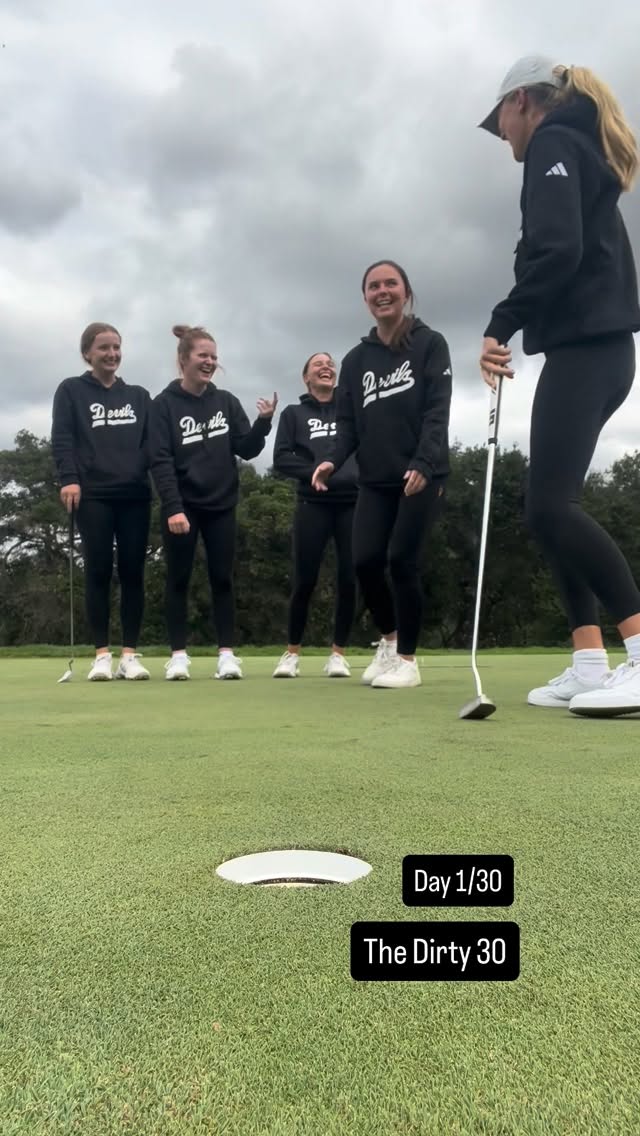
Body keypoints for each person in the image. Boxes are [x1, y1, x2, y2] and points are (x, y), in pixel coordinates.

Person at [478, 56, 640, 717]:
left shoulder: (554, 141)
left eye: (500, 120)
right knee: (543, 508)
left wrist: (501, 322)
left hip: (590, 350)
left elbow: (558, 250)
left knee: (550, 508)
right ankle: (589, 661)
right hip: (594, 350)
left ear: (521, 101)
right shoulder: (576, 142)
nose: (502, 135)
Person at [312, 261, 452, 689]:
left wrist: (424, 463)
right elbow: (348, 425)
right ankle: (389, 642)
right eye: (374, 286)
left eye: (391, 283)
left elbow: (437, 412)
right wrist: (332, 460)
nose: (382, 291)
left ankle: (408, 660)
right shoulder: (356, 361)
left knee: (401, 561)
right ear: (365, 298)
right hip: (374, 479)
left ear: (406, 292)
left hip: (421, 475)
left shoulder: (431, 344)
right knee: (365, 562)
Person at [149, 325, 277, 681]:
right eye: (203, 356)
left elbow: (246, 448)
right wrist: (173, 506)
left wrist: (264, 423)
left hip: (221, 504)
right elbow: (159, 460)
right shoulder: (163, 406)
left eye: (214, 357)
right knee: (179, 579)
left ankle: (227, 655)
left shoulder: (226, 402)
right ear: (183, 359)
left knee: (222, 579)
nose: (210, 362)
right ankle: (178, 656)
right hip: (182, 507)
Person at [51, 323, 152, 681]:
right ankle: (102, 655)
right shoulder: (71, 390)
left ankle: (129, 655)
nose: (112, 354)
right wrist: (69, 478)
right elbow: (62, 438)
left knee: (133, 572)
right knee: (98, 570)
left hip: (134, 495)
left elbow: (152, 445)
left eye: (116, 347)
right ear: (87, 354)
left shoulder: (139, 396)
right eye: (104, 348)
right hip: (92, 494)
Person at [272, 352, 358, 678]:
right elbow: (281, 458)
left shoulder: (350, 409)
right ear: (306, 377)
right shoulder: (293, 414)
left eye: (330, 363)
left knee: (349, 579)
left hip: (352, 502)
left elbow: (364, 445)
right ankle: (292, 653)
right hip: (312, 504)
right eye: (318, 364)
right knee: (305, 580)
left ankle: (338, 654)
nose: (326, 367)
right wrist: (315, 472)